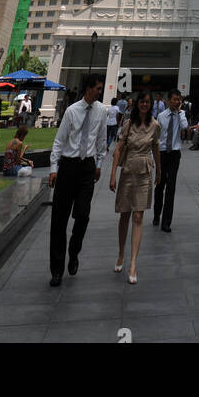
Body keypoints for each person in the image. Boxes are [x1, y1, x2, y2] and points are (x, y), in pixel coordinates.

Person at [48, 74, 106, 286]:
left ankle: (74, 250)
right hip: (68, 167)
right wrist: (54, 168)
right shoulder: (72, 111)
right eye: (98, 88)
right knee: (59, 220)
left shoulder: (101, 111)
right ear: (88, 89)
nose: (100, 92)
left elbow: (101, 140)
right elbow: (59, 141)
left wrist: (99, 164)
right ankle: (56, 269)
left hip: (87, 167)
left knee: (82, 215)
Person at [109, 89, 160, 284]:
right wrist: (113, 173)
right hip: (128, 170)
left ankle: (133, 263)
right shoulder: (128, 125)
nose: (144, 104)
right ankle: (121, 252)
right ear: (137, 103)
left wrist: (160, 172)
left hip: (145, 173)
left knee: (138, 216)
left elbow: (156, 149)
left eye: (148, 102)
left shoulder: (155, 126)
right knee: (125, 215)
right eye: (142, 101)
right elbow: (119, 149)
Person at [153, 89, 187, 232]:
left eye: (179, 99)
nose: (177, 101)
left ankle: (166, 222)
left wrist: (180, 112)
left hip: (174, 153)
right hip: (162, 153)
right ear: (169, 100)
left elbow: (185, 127)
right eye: (175, 99)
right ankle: (156, 214)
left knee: (171, 188)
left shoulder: (181, 114)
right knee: (160, 185)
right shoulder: (161, 116)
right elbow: (157, 136)